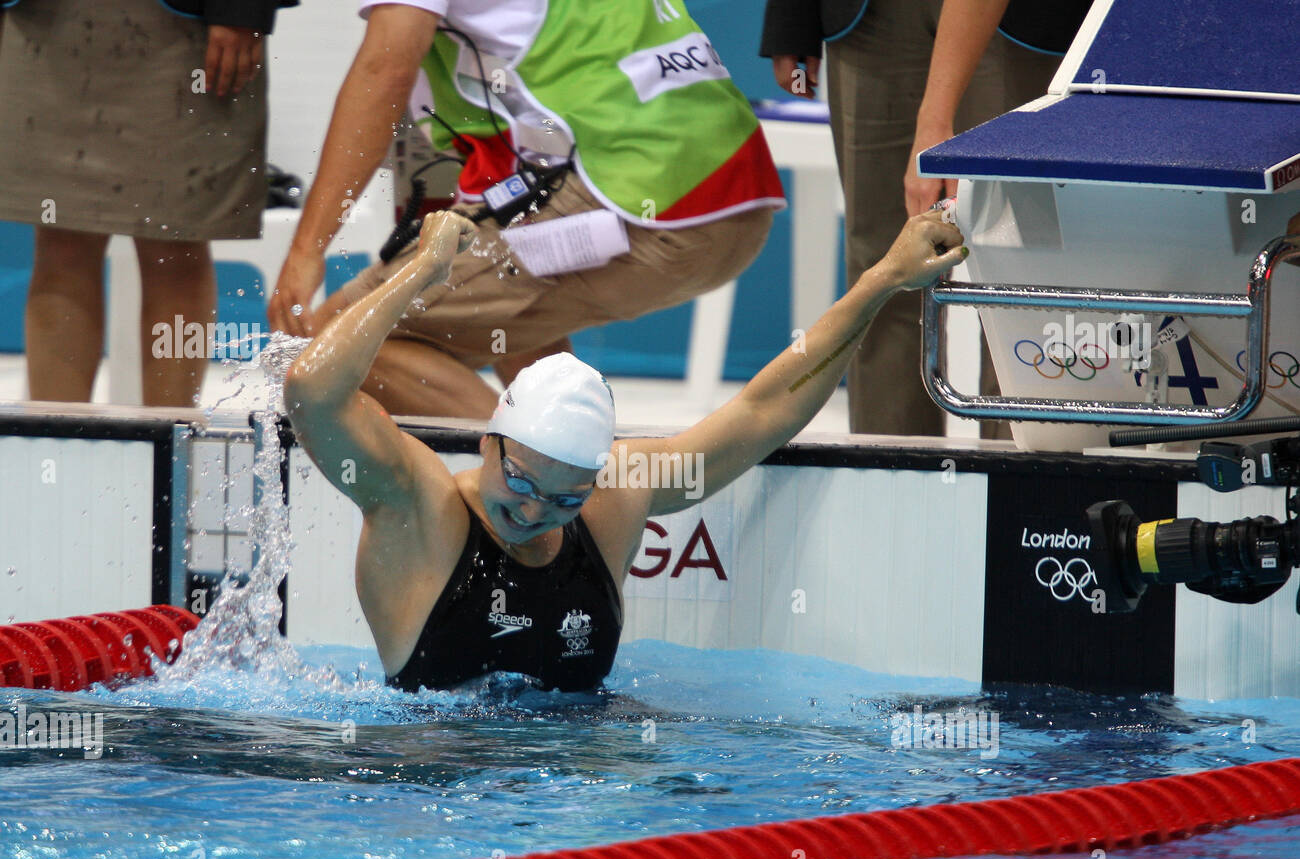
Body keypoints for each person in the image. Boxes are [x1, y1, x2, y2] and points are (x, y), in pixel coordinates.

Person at [284, 207, 965, 692]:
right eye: (519, 483)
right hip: (438, 805)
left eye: (564, 498)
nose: (533, 511)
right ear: (490, 441)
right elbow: (311, 390)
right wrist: (422, 273)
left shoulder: (613, 501)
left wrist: (881, 282)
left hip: (587, 806)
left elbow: (763, 409)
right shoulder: (419, 510)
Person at [270, 0, 785, 420]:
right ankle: (569, 476)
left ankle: (540, 499)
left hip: (636, 193)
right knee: (503, 318)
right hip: (737, 192)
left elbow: (385, 69)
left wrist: (306, 248)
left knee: (334, 346)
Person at [760, 0, 1087, 438]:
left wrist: (935, 118)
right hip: (868, 19)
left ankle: (1019, 485)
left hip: (1015, 20)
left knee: (1017, 272)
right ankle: (891, 477)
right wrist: (792, 16)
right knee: (882, 270)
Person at [0, 0, 297, 406]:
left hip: (187, 25)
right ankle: (58, 443)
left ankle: (172, 443)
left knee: (176, 245)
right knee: (61, 243)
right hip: (45, 21)